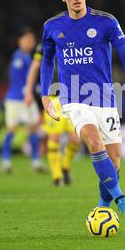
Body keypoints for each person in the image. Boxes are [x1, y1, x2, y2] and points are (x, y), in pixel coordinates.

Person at [40, 0, 125, 221]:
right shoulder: (51, 27)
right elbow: (47, 62)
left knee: (114, 160)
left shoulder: (106, 22)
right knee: (93, 142)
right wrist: (45, 95)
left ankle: (103, 206)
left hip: (104, 98)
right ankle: (121, 199)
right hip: (73, 97)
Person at [25, 43, 81, 186]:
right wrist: (28, 91)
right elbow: (34, 67)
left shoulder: (75, 39)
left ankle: (65, 167)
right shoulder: (43, 46)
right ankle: (57, 177)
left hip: (73, 97)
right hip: (53, 98)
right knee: (54, 136)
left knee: (76, 138)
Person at [0, 28, 45, 174]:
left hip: (27, 98)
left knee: (33, 129)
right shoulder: (19, 57)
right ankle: (5, 162)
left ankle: (36, 162)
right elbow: (19, 79)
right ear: (20, 41)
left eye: (31, 41)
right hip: (16, 99)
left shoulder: (26, 58)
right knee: (12, 129)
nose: (29, 43)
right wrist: (33, 89)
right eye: (26, 40)